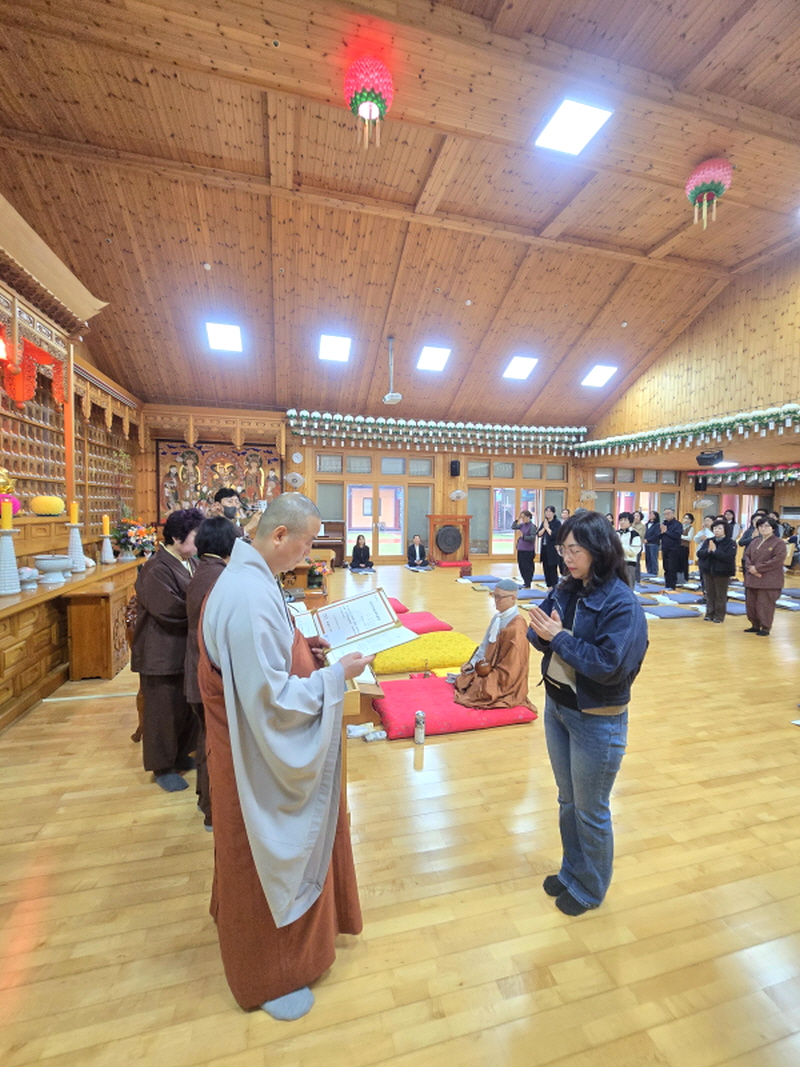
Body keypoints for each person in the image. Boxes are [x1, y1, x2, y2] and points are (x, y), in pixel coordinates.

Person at [199, 493, 373, 1019]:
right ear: (279, 536)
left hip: (239, 742)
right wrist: (334, 677)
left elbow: (268, 660)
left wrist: (305, 652)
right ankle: (270, 973)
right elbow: (270, 701)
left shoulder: (250, 576)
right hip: (254, 753)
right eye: (306, 543)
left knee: (245, 852)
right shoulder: (248, 596)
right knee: (262, 856)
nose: (309, 554)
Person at [525, 511, 648, 916]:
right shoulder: (567, 587)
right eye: (563, 549)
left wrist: (558, 637)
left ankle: (591, 888)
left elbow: (609, 665)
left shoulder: (621, 603)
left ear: (598, 549)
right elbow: (536, 630)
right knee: (567, 801)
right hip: (559, 708)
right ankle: (572, 870)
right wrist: (546, 634)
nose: (566, 558)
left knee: (590, 809)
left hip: (597, 717)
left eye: (574, 550)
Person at [131, 507, 205, 792]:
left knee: (185, 708)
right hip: (161, 651)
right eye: (196, 536)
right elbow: (169, 610)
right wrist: (205, 611)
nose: (199, 543)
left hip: (184, 649)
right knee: (163, 712)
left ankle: (179, 755)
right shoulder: (156, 568)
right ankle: (161, 767)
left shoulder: (192, 562)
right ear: (176, 537)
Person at [184, 516, 239, 830]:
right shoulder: (217, 577)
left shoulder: (205, 570)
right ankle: (212, 811)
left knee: (208, 738)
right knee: (214, 744)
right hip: (205, 671)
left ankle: (206, 802)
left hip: (197, 667)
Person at [453, 579, 535, 711]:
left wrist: (489, 673)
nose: (496, 600)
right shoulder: (497, 618)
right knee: (463, 680)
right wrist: (472, 664)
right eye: (494, 596)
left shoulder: (517, 627)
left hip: (506, 677)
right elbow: (485, 644)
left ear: (513, 598)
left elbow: (513, 666)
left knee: (480, 691)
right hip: (490, 667)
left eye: (500, 597)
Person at [743, 517, 787, 636]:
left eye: (767, 526)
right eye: (761, 526)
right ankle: (755, 625)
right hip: (752, 578)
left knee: (765, 605)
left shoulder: (779, 543)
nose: (764, 528)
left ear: (773, 528)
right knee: (751, 604)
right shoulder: (755, 541)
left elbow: (777, 560)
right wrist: (751, 568)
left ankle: (765, 627)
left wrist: (758, 569)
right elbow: (747, 556)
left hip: (768, 579)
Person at [697, 519, 737, 622]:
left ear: (725, 530)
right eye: (715, 528)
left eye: (719, 528)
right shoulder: (709, 541)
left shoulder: (730, 542)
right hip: (708, 570)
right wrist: (708, 551)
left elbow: (729, 557)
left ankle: (719, 616)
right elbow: (699, 553)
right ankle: (709, 614)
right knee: (709, 594)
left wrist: (715, 551)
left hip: (722, 572)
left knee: (720, 595)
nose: (717, 530)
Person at [537, 506, 562, 588]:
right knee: (545, 568)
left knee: (552, 569)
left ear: (553, 513)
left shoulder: (557, 523)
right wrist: (544, 528)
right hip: (544, 548)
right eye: (546, 511)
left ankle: (554, 586)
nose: (548, 513)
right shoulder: (544, 522)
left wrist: (547, 528)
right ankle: (549, 586)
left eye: (550, 511)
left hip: (552, 549)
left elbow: (554, 535)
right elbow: (539, 534)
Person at [511, 509, 537, 588]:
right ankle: (525, 581)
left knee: (527, 567)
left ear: (529, 517)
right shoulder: (522, 525)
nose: (523, 519)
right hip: (521, 549)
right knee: (521, 566)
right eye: (522, 517)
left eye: (524, 517)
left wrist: (523, 536)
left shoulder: (532, 526)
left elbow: (532, 538)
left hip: (528, 550)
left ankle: (528, 582)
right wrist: (517, 519)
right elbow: (513, 527)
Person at [616, 512, 642, 588]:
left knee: (628, 586)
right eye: (621, 520)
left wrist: (619, 546)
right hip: (616, 564)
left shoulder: (635, 534)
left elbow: (634, 551)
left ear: (630, 522)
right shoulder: (615, 533)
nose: (622, 522)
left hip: (628, 564)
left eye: (625, 520)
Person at [659, 508, 683, 590]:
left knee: (672, 568)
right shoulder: (664, 524)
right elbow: (660, 535)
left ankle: (672, 586)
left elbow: (676, 536)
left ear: (673, 514)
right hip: (665, 548)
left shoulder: (678, 524)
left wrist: (666, 532)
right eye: (665, 514)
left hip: (674, 549)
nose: (666, 516)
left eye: (668, 513)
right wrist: (661, 531)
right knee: (665, 568)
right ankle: (667, 585)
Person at [693, 516, 715, 597]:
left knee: (708, 577)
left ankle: (709, 594)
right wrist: (701, 535)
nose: (706, 522)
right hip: (701, 553)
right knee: (702, 575)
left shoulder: (714, 532)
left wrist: (707, 538)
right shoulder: (703, 531)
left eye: (708, 521)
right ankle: (704, 591)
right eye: (705, 520)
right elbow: (695, 539)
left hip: (710, 556)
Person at [678, 512, 695, 583]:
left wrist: (680, 536)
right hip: (677, 546)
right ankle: (678, 578)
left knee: (684, 563)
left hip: (684, 547)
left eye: (688, 519)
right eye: (685, 518)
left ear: (691, 521)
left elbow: (689, 538)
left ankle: (685, 578)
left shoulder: (691, 528)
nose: (686, 520)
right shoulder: (680, 526)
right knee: (677, 562)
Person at [644, 510, 661, 577]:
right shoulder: (646, 524)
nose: (650, 515)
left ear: (656, 516)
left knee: (653, 558)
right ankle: (649, 572)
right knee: (648, 558)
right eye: (650, 514)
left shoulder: (658, 525)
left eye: (652, 514)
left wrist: (648, 540)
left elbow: (657, 535)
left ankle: (654, 572)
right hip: (646, 543)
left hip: (654, 543)